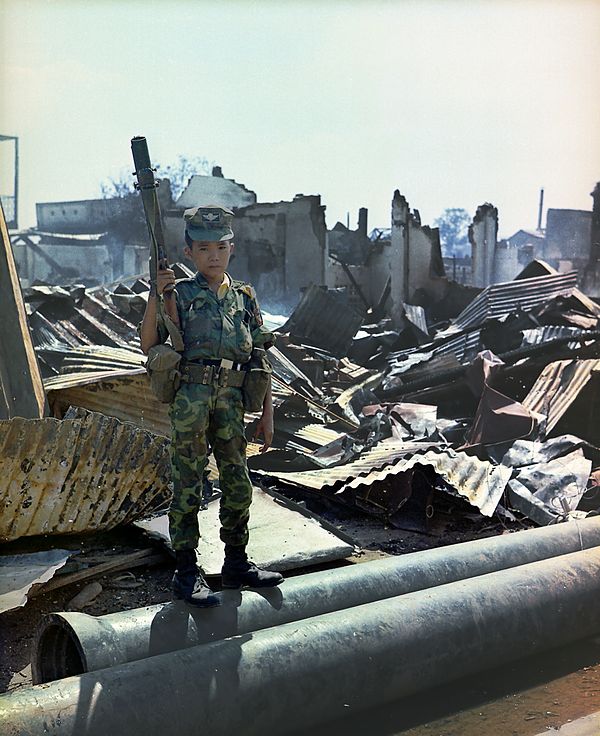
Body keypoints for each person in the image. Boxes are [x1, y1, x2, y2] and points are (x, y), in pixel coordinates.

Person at [140, 204, 283, 607]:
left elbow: (260, 356)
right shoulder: (179, 294)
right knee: (188, 484)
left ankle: (236, 563)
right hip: (191, 400)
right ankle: (187, 573)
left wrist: (268, 414)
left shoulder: (244, 297)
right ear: (190, 253)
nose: (213, 255)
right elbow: (149, 343)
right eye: (204, 248)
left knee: (238, 483)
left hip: (232, 402)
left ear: (231, 248)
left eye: (221, 246)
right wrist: (156, 292)